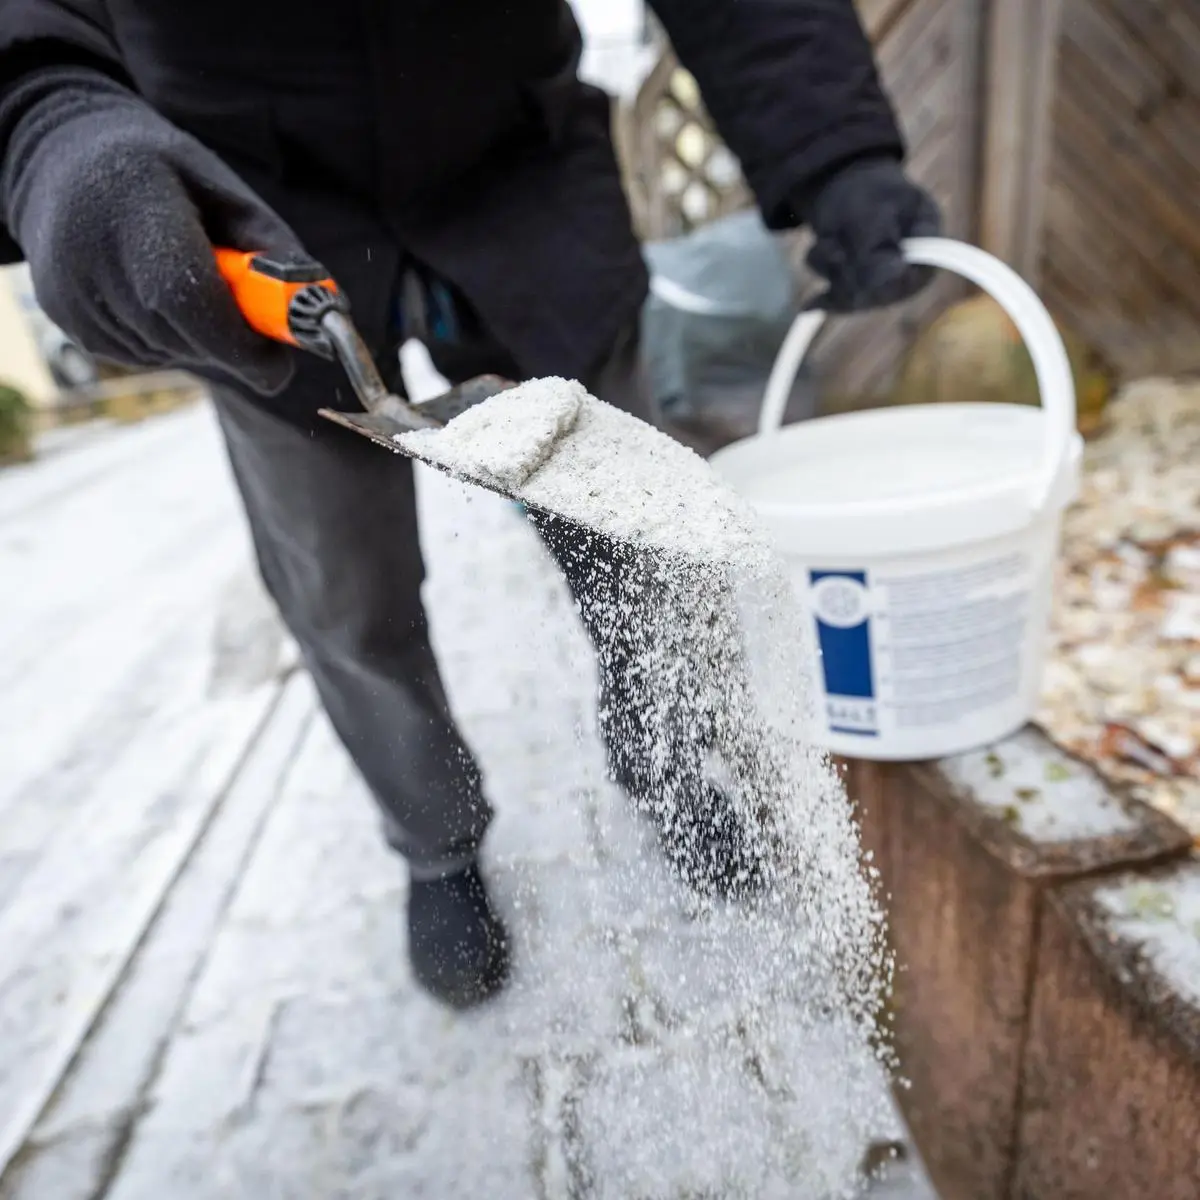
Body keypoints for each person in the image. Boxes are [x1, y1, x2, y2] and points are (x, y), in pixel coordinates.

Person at [0, 0, 941, 1010]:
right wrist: (44, 113)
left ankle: (667, 754)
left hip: (518, 166)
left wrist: (831, 148)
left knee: (633, 521)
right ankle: (436, 841)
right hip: (244, 204)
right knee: (346, 587)